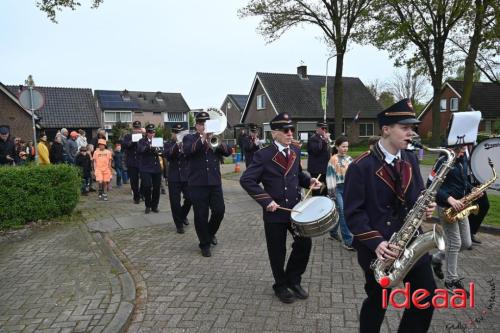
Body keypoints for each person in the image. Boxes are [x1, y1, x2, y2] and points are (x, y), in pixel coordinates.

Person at [344, 99, 437, 333]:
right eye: (405, 128)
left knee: (426, 295)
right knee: (378, 303)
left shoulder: (410, 159)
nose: (411, 133)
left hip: (411, 242)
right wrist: (377, 243)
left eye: (412, 128)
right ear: (386, 129)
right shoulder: (360, 166)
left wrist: (426, 207)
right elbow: (353, 213)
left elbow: (417, 193)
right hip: (380, 248)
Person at [240, 112, 322, 303]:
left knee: (304, 244)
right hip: (275, 211)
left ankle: (293, 279)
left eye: (292, 130)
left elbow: (297, 174)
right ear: (274, 133)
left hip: (295, 210)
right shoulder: (263, 155)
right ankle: (280, 285)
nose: (290, 133)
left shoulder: (293, 151)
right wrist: (265, 200)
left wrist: (309, 180)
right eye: (286, 130)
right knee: (277, 251)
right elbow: (247, 180)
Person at [183, 111, 232, 257]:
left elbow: (228, 152)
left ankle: (210, 234)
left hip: (214, 182)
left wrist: (216, 141)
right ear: (197, 125)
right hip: (197, 183)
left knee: (219, 211)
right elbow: (188, 151)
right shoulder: (189, 138)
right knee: (200, 215)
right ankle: (204, 244)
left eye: (206, 123)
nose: (204, 126)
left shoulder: (215, 137)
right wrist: (203, 138)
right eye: (201, 123)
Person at [430, 144, 474, 291]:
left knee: (466, 243)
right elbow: (431, 184)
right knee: (454, 243)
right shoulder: (443, 160)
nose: (463, 151)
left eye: (465, 148)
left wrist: (470, 189)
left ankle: (436, 259)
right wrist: (449, 199)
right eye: (460, 148)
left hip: (462, 205)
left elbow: (462, 181)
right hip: (447, 207)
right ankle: (451, 280)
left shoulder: (463, 158)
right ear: (452, 146)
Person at [326, 136, 354, 250]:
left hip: (347, 189)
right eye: (343, 146)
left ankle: (333, 233)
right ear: (337, 147)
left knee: (339, 211)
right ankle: (348, 241)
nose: (345, 149)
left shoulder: (350, 159)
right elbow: (330, 177)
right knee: (343, 212)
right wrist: (332, 194)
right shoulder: (333, 159)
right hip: (337, 189)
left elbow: (354, 175)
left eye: (347, 146)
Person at [164, 124, 192, 234]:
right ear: (172, 133)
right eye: (175, 132)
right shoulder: (168, 144)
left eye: (179, 133)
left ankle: (183, 215)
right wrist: (177, 144)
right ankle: (179, 224)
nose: (177, 134)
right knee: (175, 202)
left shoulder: (188, 144)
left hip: (186, 176)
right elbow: (168, 155)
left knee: (190, 198)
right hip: (174, 177)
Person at [137, 124, 163, 214]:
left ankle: (154, 206)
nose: (152, 134)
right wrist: (150, 147)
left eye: (153, 132)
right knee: (147, 186)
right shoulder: (142, 141)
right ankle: (148, 205)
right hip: (146, 168)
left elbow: (161, 153)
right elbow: (140, 150)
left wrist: (159, 150)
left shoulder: (158, 140)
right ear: (147, 133)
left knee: (156, 188)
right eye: (150, 132)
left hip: (156, 168)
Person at [307, 121, 331, 196]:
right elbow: (316, 151)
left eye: (325, 128)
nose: (324, 130)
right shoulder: (313, 138)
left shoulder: (324, 139)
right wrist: (324, 140)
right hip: (316, 168)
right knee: (317, 187)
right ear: (317, 129)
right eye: (323, 128)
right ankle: (316, 200)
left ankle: (323, 196)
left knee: (330, 185)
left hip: (325, 167)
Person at [122, 121, 143, 203]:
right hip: (132, 162)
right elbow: (125, 145)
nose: (137, 130)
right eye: (135, 128)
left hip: (142, 162)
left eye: (138, 128)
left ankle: (141, 193)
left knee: (145, 180)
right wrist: (133, 141)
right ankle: (136, 197)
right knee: (134, 181)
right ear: (133, 129)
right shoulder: (128, 136)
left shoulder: (143, 137)